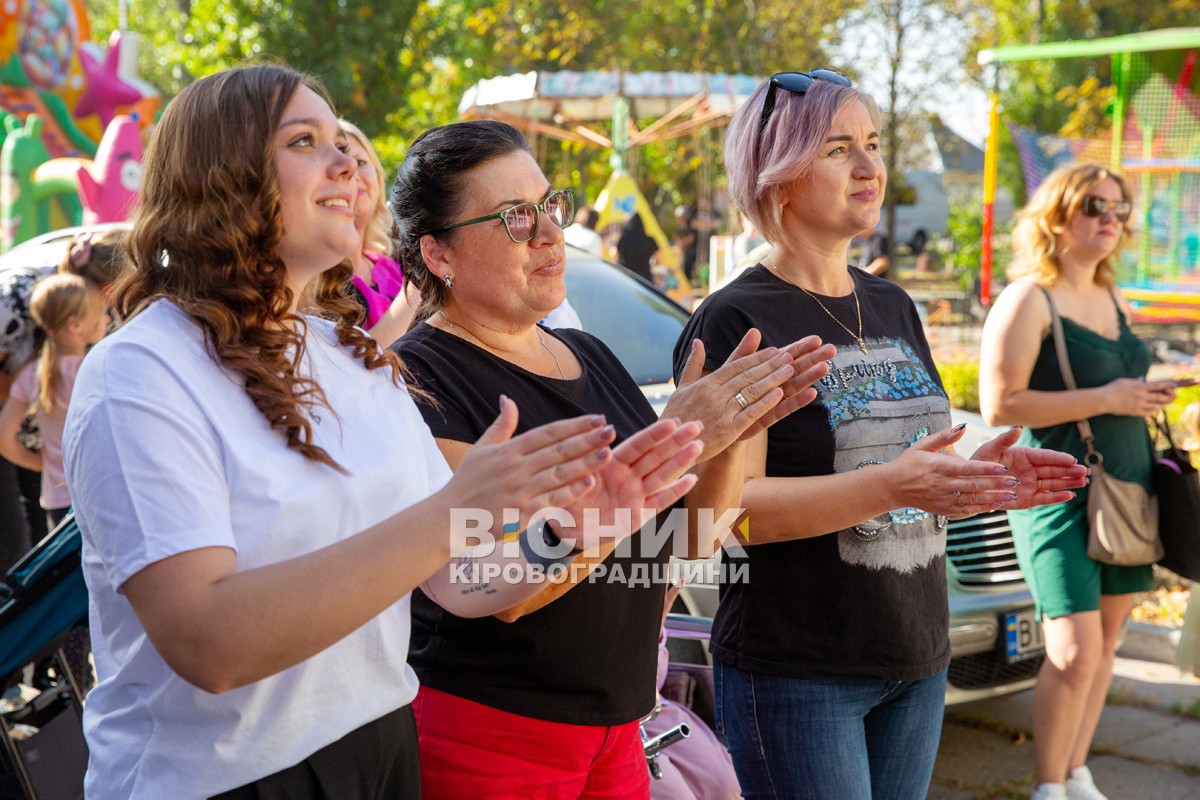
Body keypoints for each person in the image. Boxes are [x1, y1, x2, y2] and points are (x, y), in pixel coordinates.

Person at [61, 64, 702, 800]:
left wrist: (571, 530)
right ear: (221, 178)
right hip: (223, 779)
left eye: (342, 140)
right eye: (306, 141)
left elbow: (459, 582)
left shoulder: (351, 360)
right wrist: (445, 520)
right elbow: (209, 642)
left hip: (382, 750)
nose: (348, 162)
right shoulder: (140, 372)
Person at [674, 69, 1091, 800]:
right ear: (779, 174)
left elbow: (903, 467)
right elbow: (729, 515)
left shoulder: (893, 304)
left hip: (916, 655)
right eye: (839, 150)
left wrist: (975, 477)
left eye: (872, 144)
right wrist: (892, 485)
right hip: (798, 672)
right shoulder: (736, 319)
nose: (871, 168)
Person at [389, 118, 835, 798]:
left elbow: (688, 542)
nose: (547, 234)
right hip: (490, 735)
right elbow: (504, 590)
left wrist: (729, 433)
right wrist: (664, 443)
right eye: (514, 217)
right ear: (439, 254)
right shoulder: (419, 378)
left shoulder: (588, 354)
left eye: (549, 207)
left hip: (620, 732)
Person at [979, 163, 1174, 800]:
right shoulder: (1028, 297)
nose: (1110, 218)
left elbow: (1122, 390)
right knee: (1073, 651)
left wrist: (1145, 393)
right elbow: (999, 403)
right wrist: (1111, 396)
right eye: (1096, 204)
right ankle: (1047, 787)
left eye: (1121, 208)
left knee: (1108, 642)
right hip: (1058, 493)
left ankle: (1077, 774)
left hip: (1128, 489)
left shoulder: (1115, 299)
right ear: (1059, 212)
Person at [0, 273, 107, 527]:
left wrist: (41, 464)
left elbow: (4, 437)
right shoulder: (93, 371)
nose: (105, 318)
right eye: (100, 311)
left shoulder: (29, 374)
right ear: (75, 324)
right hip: (96, 493)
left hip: (57, 499)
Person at [337, 119, 418, 347]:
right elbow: (355, 363)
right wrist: (422, 284)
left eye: (361, 161)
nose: (352, 169)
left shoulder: (391, 265)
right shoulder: (316, 275)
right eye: (341, 160)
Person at [617, 210, 660, 282]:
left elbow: (616, 254)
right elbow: (659, 258)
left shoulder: (623, 239)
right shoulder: (649, 240)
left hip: (625, 276)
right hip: (644, 278)